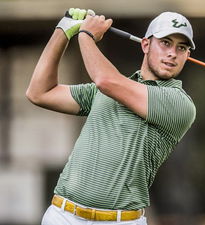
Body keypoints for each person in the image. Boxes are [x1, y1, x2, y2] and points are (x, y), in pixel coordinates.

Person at [26, 8, 196, 225]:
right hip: (63, 215)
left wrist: (86, 36)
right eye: (165, 43)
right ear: (145, 44)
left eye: (181, 48)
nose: (172, 53)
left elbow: (106, 81)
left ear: (187, 56)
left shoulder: (179, 103)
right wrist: (63, 31)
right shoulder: (102, 92)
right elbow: (39, 92)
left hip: (121, 221)